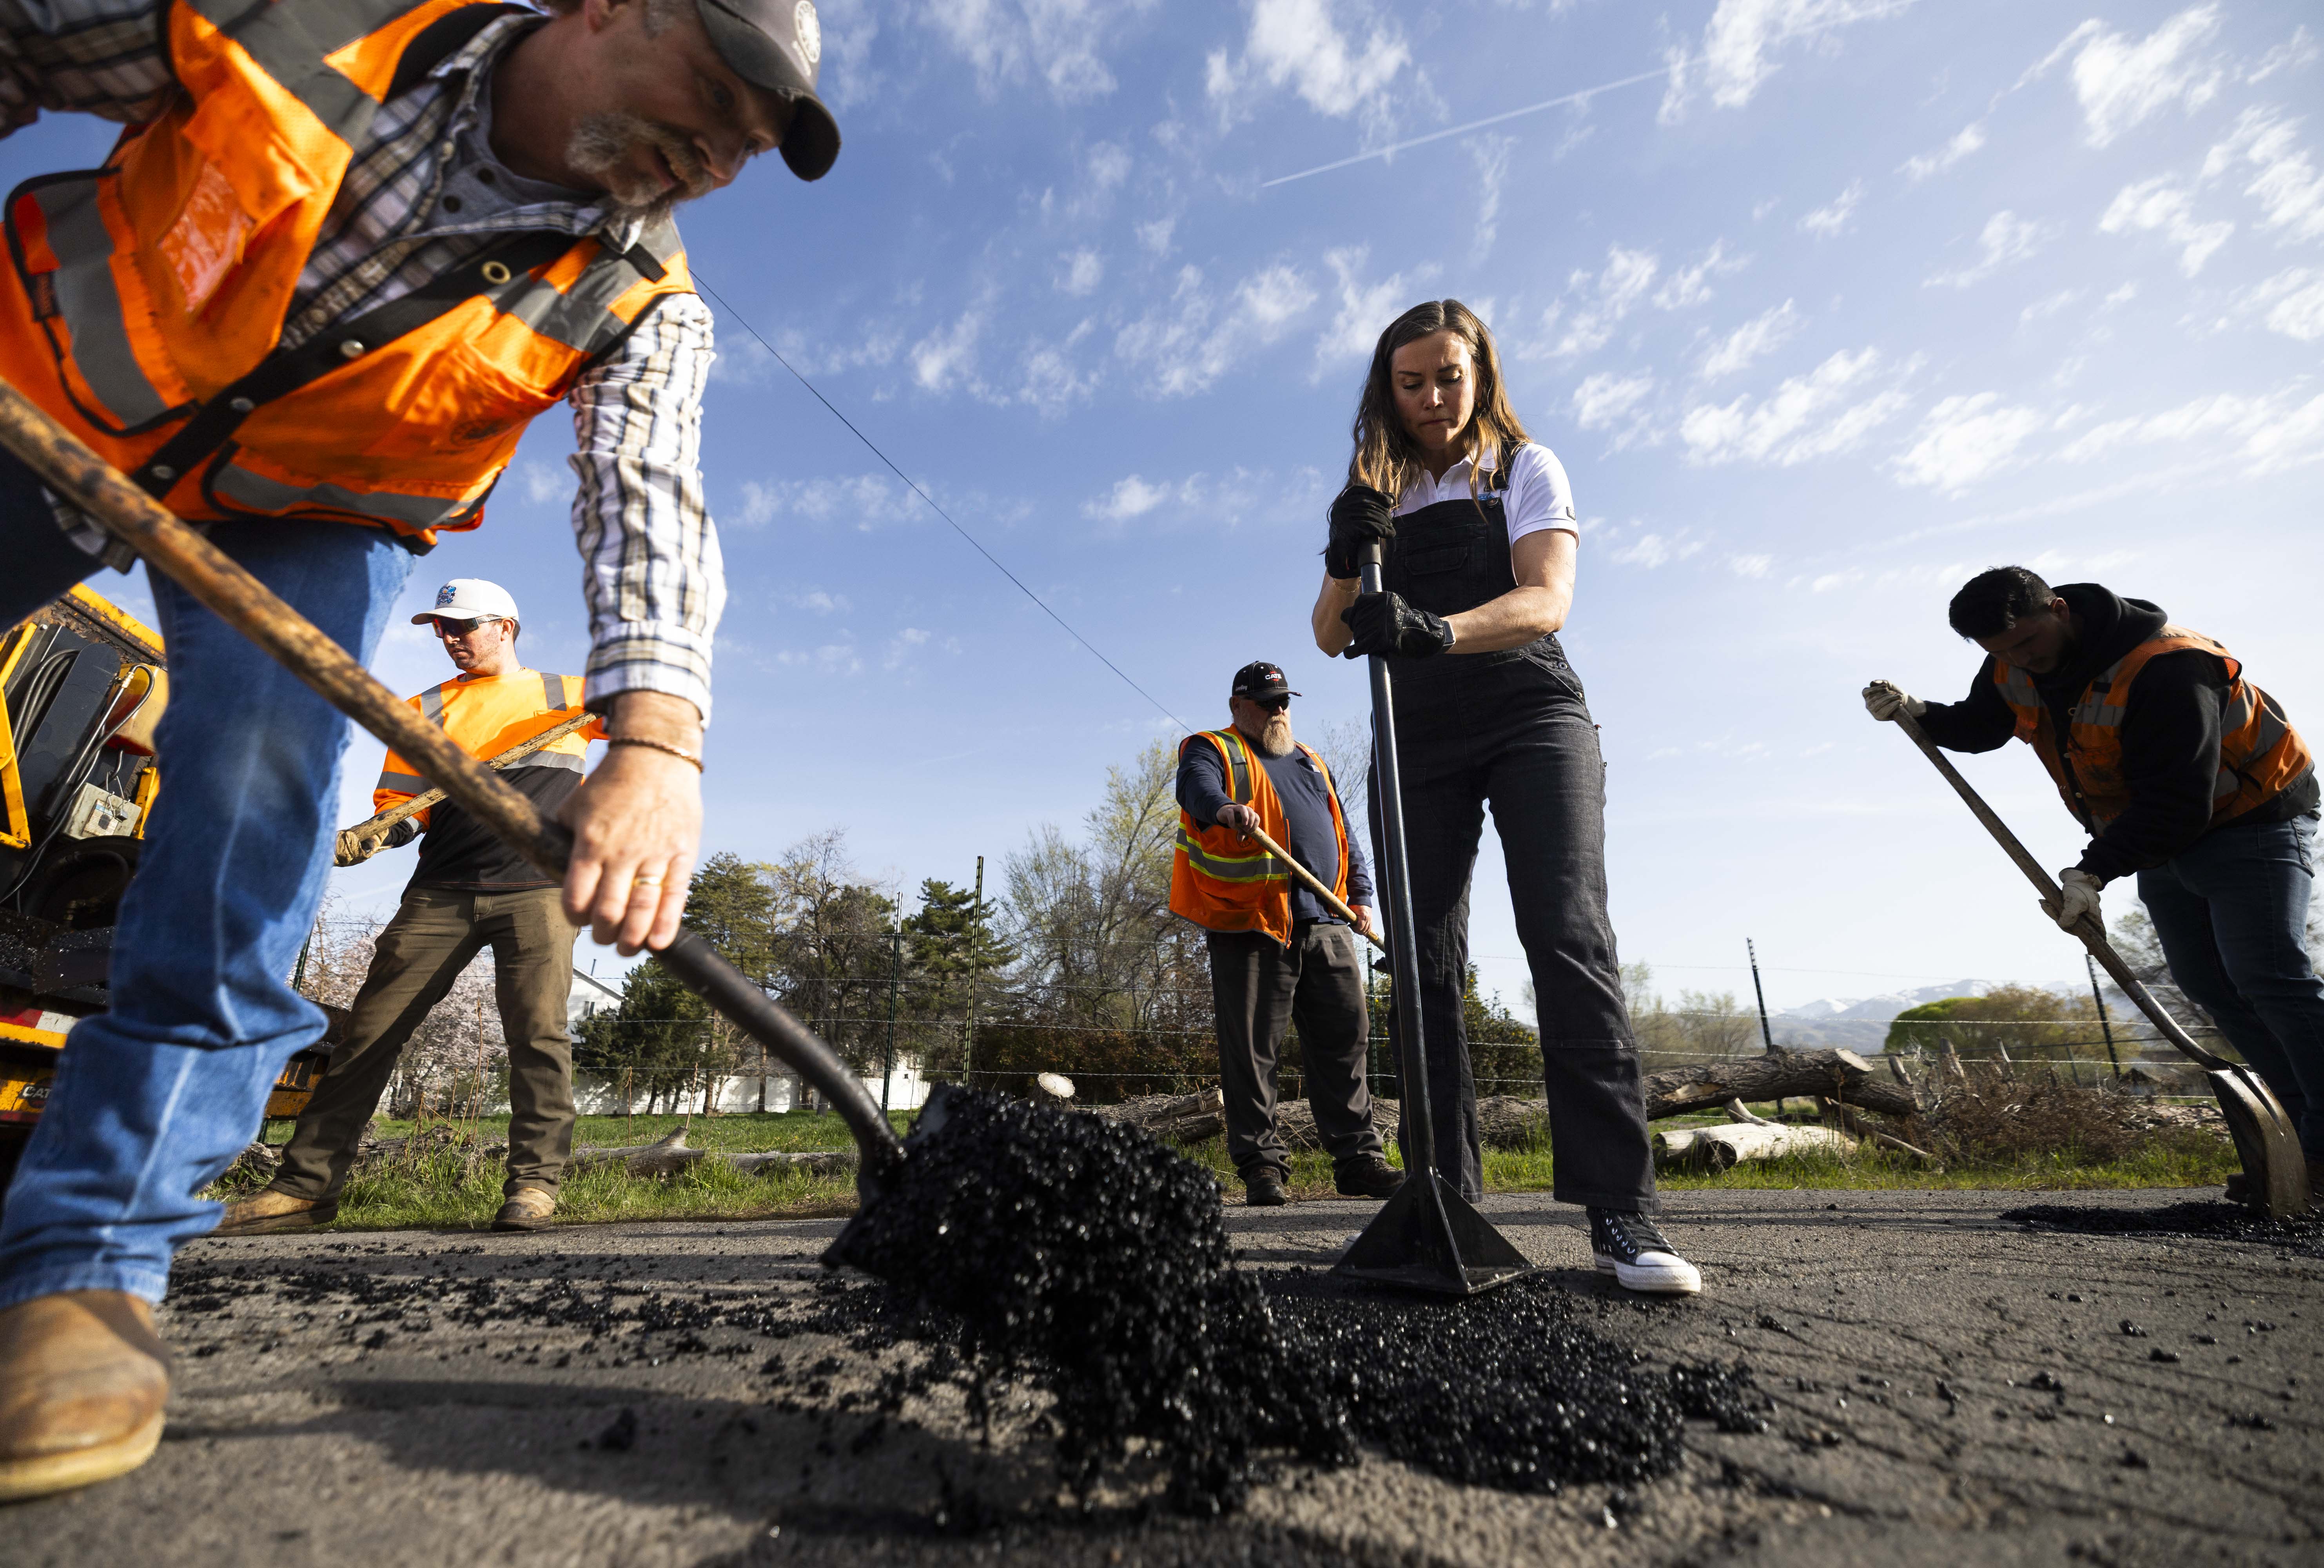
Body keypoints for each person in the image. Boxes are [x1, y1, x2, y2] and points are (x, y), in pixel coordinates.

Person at [0, 0, 840, 1500]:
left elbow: (648, 502)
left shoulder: (642, 295)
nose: (717, 157)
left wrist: (659, 749)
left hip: (309, 506)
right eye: (716, 94)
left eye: (749, 148)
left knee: (260, 783)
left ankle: (88, 1263)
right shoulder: (306, 19)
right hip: (54, 379)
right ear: (606, 8)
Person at [1310, 298, 1698, 1296]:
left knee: (1566, 934)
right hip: (1416, 734)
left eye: (1449, 376)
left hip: (1533, 714)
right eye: (1411, 382)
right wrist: (1345, 549)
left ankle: (1622, 1213)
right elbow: (1327, 633)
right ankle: (1445, 1197)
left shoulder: (1525, 466)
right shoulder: (1377, 481)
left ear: (1479, 373)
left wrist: (1438, 628)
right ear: (1385, 390)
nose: (1432, 398)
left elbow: (1545, 598)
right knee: (1424, 961)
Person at [1865, 567, 2322, 1195]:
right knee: (2208, 984)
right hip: (2156, 838)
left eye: (2025, 644)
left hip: (2248, 822)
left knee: (2268, 977)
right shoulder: (2010, 663)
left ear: (2057, 608)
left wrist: (2092, 871)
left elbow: (2178, 800)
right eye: (1999, 653)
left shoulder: (2167, 668)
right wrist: (1919, 715)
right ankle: (2299, 1145)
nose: (2018, 661)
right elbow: (1982, 726)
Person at [220, 581, 605, 1236]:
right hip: (441, 892)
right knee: (368, 1036)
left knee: (539, 1037)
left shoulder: (572, 696)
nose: (449, 638)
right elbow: (402, 813)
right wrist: (372, 836)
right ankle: (305, 1190)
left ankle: (535, 1188)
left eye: (464, 626)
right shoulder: (421, 710)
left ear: (506, 626)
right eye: (441, 628)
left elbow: (664, 717)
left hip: (539, 888)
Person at [1170, 661, 1402, 1208]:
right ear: (1238, 706)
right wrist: (1226, 809)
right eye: (1266, 701)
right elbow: (1195, 789)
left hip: (1326, 922)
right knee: (1252, 1052)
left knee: (1346, 1041)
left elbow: (1343, 833)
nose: (1278, 710)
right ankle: (1261, 1168)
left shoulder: (1312, 762)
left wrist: (1361, 897)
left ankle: (1358, 1161)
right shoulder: (1211, 748)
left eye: (1283, 701)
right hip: (1251, 924)